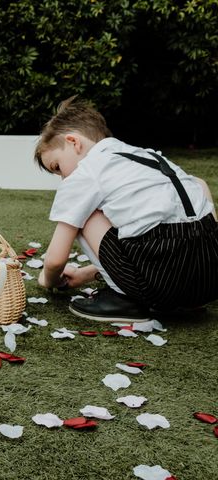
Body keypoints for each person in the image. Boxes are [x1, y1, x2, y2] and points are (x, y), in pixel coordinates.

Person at [34, 96, 218, 322]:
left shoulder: (84, 174)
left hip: (159, 286)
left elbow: (54, 261)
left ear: (74, 142)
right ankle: (189, 299)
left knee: (85, 212)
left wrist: (48, 280)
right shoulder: (145, 156)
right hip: (209, 278)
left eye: (58, 167)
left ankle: (125, 302)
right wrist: (86, 274)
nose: (63, 178)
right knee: (196, 184)